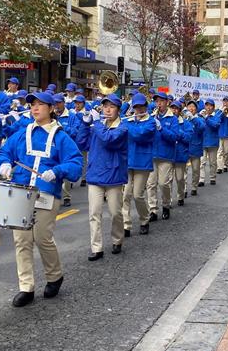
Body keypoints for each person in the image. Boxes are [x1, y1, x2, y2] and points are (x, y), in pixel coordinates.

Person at [0, 92, 82, 307]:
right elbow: (3, 152)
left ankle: (54, 276)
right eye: (33, 104)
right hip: (20, 192)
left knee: (42, 237)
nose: (35, 108)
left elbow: (76, 164)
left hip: (46, 194)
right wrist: (3, 164)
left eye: (40, 104)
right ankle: (26, 287)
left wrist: (58, 171)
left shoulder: (61, 137)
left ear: (51, 109)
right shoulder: (22, 133)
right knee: (22, 240)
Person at [76, 93, 128, 261]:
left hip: (114, 176)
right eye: (105, 106)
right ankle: (96, 247)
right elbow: (81, 143)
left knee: (115, 213)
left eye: (111, 107)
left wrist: (96, 122)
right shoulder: (96, 127)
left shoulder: (123, 128)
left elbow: (108, 139)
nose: (107, 110)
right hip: (95, 174)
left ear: (118, 110)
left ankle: (117, 239)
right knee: (94, 213)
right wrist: (85, 124)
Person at [122, 93, 156, 236]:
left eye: (141, 106)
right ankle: (126, 225)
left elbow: (139, 135)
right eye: (136, 107)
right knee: (125, 195)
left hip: (142, 162)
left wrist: (126, 125)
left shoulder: (151, 122)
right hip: (127, 161)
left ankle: (144, 219)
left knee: (137, 195)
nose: (139, 109)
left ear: (146, 106)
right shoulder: (128, 120)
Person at [146, 92, 178, 221]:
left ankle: (165, 205)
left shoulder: (173, 118)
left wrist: (161, 129)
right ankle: (152, 210)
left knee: (163, 183)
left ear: (167, 102)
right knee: (150, 184)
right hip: (152, 155)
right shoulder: (151, 116)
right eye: (157, 101)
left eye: (161, 101)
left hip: (166, 155)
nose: (158, 104)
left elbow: (174, 137)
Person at [53, 93, 78, 207]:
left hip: (66, 148)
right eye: (55, 103)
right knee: (54, 171)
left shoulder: (71, 116)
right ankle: (54, 195)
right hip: (54, 147)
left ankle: (67, 196)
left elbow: (75, 131)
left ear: (63, 103)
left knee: (65, 173)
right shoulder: (51, 115)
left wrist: (63, 127)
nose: (56, 105)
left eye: (59, 103)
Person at [171, 100, 193, 206]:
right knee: (167, 180)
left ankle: (180, 195)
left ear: (180, 110)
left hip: (180, 154)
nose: (174, 110)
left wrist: (178, 131)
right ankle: (168, 200)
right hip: (168, 154)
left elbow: (188, 138)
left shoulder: (186, 123)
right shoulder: (167, 121)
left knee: (180, 179)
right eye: (172, 108)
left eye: (176, 108)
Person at [200, 98, 222, 185]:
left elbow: (215, 125)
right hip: (203, 142)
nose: (208, 107)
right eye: (207, 105)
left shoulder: (217, 116)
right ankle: (201, 179)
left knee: (212, 162)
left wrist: (206, 118)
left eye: (210, 105)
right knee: (202, 162)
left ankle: (212, 177)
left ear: (213, 107)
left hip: (213, 142)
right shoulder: (201, 115)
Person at [186, 100, 205, 196]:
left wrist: (193, 118)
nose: (191, 108)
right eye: (189, 106)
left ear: (196, 109)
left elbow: (202, 128)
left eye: (193, 107)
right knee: (183, 171)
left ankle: (194, 187)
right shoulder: (184, 118)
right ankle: (183, 189)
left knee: (196, 170)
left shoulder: (200, 118)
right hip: (185, 148)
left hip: (196, 147)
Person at [217, 96, 228, 174]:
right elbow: (217, 119)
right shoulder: (219, 110)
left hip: (227, 134)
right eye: (224, 101)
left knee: (226, 151)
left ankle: (225, 165)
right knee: (219, 151)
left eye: (227, 101)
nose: (225, 103)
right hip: (220, 133)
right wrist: (222, 112)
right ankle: (219, 167)